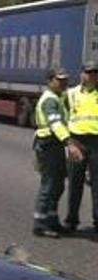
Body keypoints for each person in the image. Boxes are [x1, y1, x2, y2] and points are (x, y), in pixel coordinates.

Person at [33, 69, 80, 237]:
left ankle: (52, 220)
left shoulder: (59, 98)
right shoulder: (50, 100)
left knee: (58, 184)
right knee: (49, 184)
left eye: (65, 80)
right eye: (59, 80)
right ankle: (39, 223)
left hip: (55, 145)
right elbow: (55, 124)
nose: (63, 83)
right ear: (49, 81)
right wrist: (69, 143)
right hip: (48, 146)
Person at [64, 62, 98, 233]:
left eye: (94, 73)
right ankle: (71, 220)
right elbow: (62, 119)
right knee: (75, 183)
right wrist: (68, 142)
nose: (91, 76)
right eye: (88, 72)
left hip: (97, 143)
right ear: (81, 74)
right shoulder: (70, 94)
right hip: (77, 142)